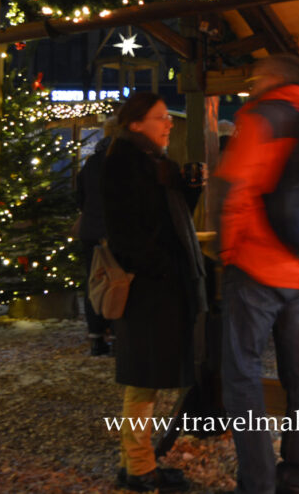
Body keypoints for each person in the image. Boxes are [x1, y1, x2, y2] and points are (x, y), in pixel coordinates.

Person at [212, 54, 299, 494]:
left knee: (242, 374)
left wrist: (227, 251)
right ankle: (297, 479)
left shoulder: (262, 116)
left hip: (257, 264)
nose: (251, 81)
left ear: (275, 79)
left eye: (257, 75)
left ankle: (256, 484)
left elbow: (238, 189)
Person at [103, 91, 207, 493]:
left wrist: (189, 188)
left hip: (160, 285)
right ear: (135, 123)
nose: (168, 124)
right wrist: (160, 269)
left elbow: (169, 217)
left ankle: (134, 461)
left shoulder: (155, 162)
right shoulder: (125, 164)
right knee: (143, 377)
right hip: (148, 288)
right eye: (160, 117)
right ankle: (140, 467)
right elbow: (128, 232)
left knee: (146, 375)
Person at [76, 116, 118, 356]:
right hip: (111, 231)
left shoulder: (91, 162)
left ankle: (96, 337)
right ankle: (115, 331)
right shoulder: (120, 160)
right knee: (116, 281)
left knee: (93, 282)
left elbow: (80, 196)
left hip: (89, 231)